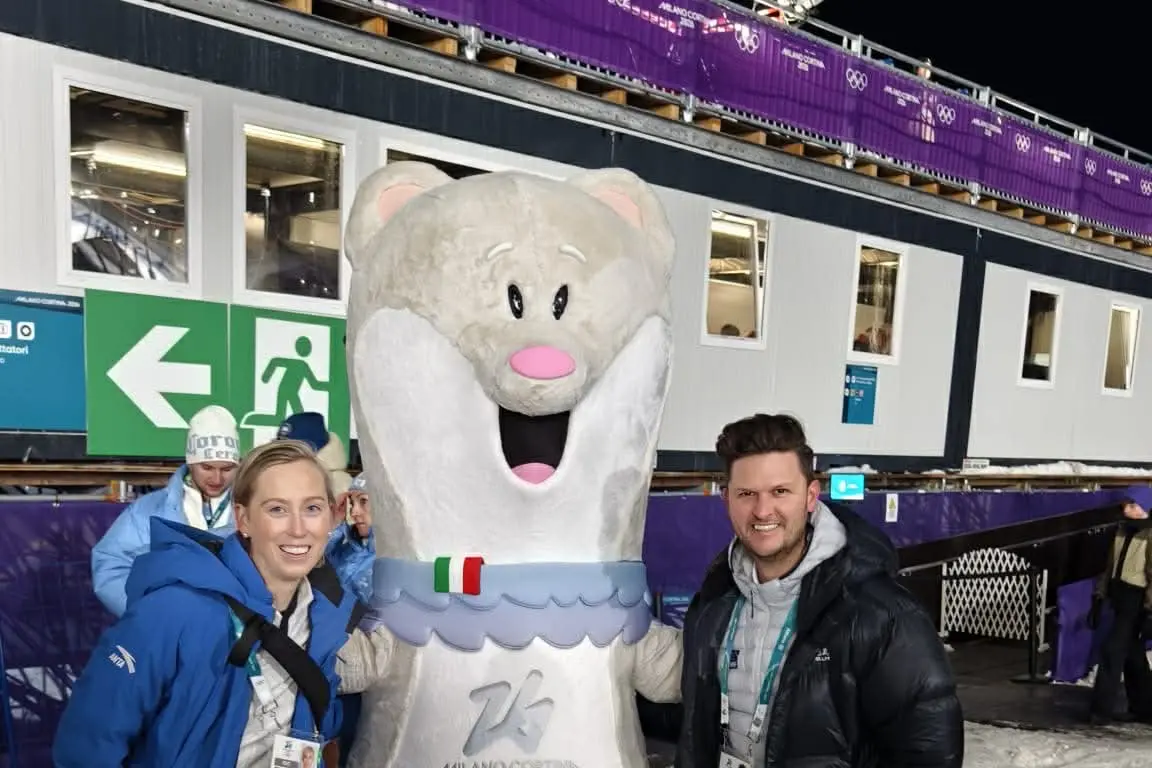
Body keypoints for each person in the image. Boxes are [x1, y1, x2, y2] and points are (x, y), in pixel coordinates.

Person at [55, 439, 391, 766]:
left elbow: (321, 710)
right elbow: (88, 744)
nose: (298, 528)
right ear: (243, 519)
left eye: (312, 508)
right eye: (277, 509)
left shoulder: (328, 617)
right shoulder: (173, 611)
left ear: (331, 517)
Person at [674, 413, 963, 768]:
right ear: (727, 499)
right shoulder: (716, 601)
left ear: (811, 496)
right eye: (747, 494)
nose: (763, 510)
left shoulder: (883, 615)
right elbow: (693, 719)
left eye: (780, 491)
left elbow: (929, 754)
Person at [91, 404, 241, 616]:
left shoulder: (252, 509)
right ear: (190, 462)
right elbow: (111, 566)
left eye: (227, 469)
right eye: (206, 467)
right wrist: (150, 614)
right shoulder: (147, 512)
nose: (217, 479)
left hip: (237, 635)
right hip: (169, 630)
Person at [1087, 489, 1152, 724]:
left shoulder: (1149, 533)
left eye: (1133, 505)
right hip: (1119, 596)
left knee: (1112, 651)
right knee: (1132, 654)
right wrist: (1099, 595)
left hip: (1137, 600)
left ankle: (1100, 710)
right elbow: (1110, 566)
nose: (1127, 510)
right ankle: (1145, 707)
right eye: (1125, 505)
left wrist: (1150, 611)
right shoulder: (1122, 530)